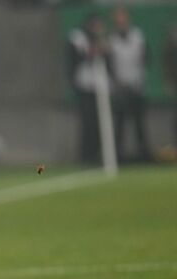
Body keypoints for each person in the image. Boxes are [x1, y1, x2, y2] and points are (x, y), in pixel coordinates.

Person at [108, 6, 150, 163]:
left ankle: (143, 154)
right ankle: (118, 156)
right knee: (120, 124)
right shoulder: (111, 40)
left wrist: (139, 79)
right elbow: (109, 64)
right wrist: (117, 82)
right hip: (119, 88)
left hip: (136, 86)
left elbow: (146, 59)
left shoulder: (138, 37)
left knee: (139, 124)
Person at [67, 13, 108, 165]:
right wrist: (91, 52)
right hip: (84, 86)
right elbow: (74, 59)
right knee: (88, 123)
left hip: (100, 87)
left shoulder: (103, 39)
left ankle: (99, 154)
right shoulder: (77, 38)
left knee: (100, 123)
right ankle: (86, 155)